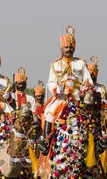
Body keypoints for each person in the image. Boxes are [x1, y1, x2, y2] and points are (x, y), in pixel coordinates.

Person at [40, 26, 93, 154]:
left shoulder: (81, 63)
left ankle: (98, 142)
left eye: (70, 47)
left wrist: (84, 89)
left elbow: (89, 80)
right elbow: (51, 82)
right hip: (62, 96)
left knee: (93, 116)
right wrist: (57, 89)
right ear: (61, 49)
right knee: (49, 111)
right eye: (66, 47)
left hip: (77, 96)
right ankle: (46, 142)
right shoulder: (55, 64)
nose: (69, 49)